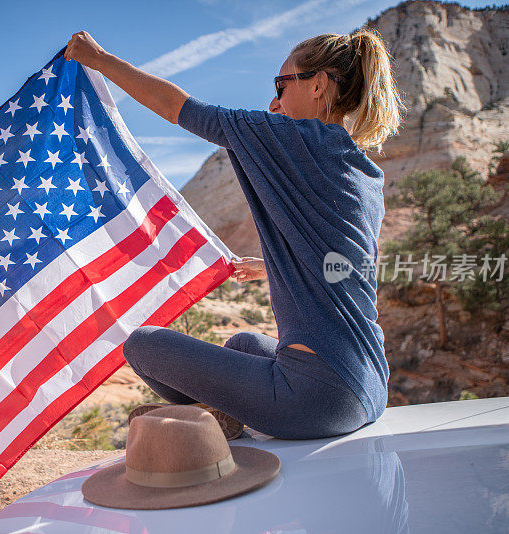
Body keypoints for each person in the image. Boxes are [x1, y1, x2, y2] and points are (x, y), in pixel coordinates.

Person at [64, 28, 404, 440]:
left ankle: (205, 424)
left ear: (317, 85)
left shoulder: (293, 136)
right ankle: (218, 413)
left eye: (282, 83)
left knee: (142, 345)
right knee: (243, 342)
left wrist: (99, 59)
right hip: (368, 384)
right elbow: (348, 263)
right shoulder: (362, 171)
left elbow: (179, 108)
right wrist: (272, 267)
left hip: (318, 398)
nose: (274, 100)